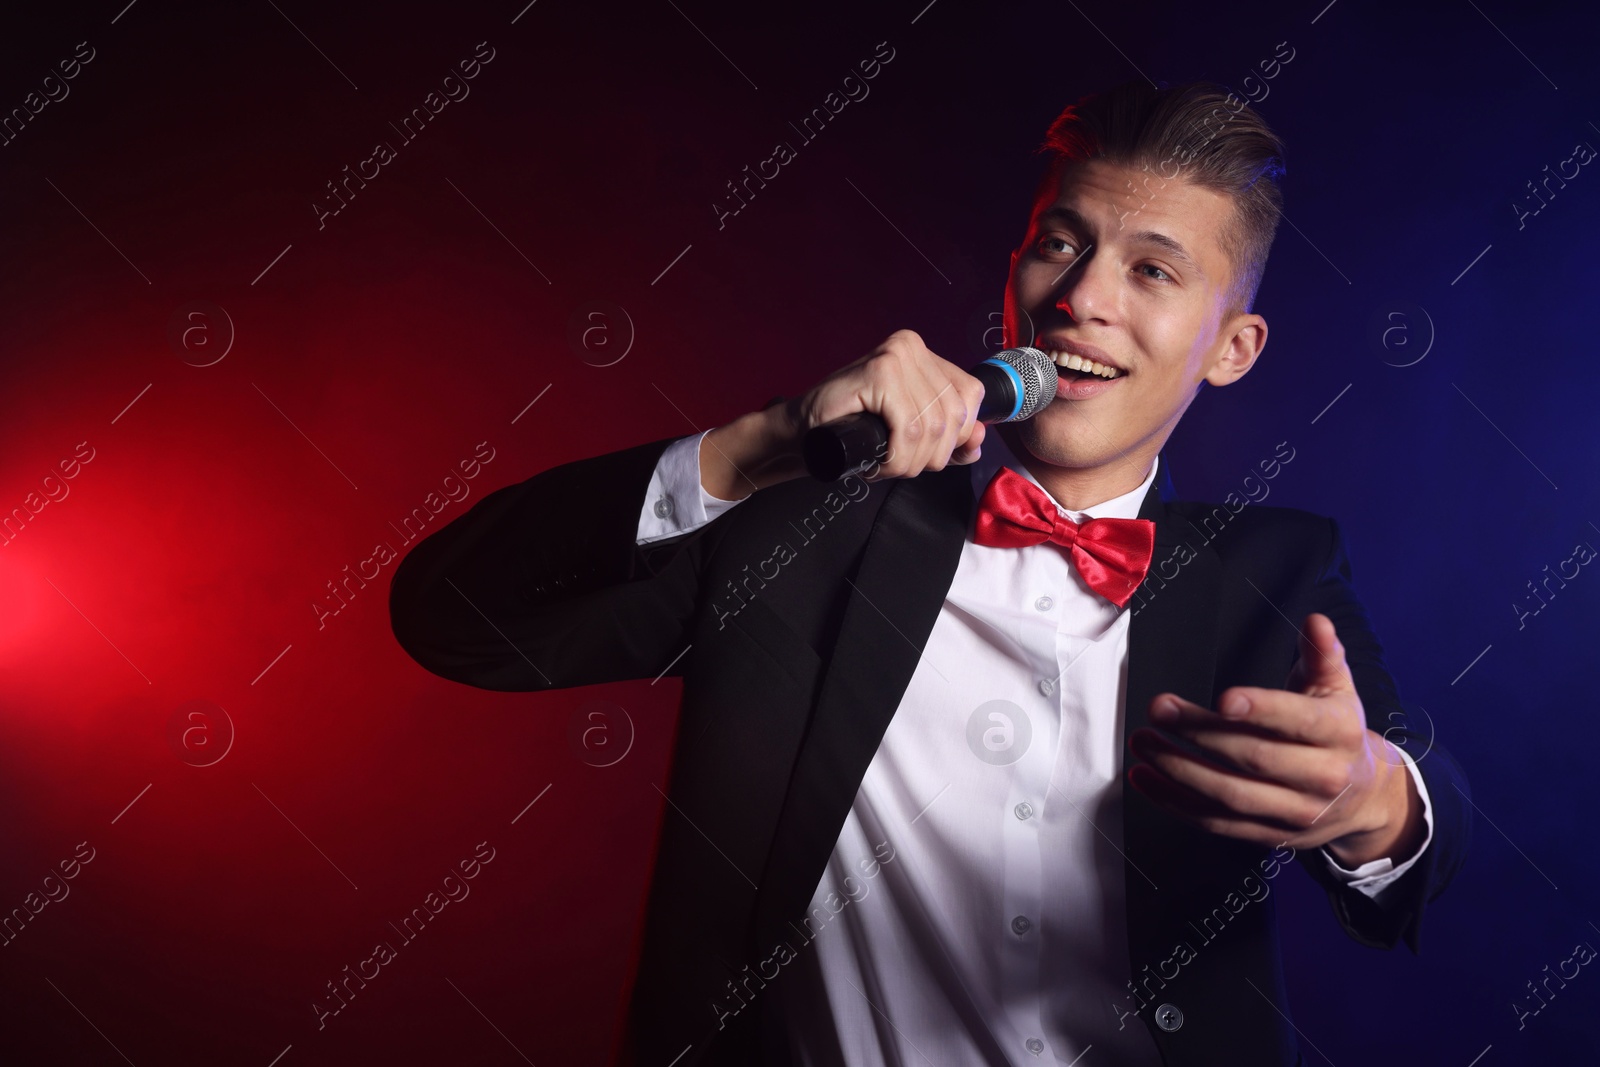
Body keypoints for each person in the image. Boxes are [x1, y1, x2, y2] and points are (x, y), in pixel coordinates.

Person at [388, 80, 1470, 1066]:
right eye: (1059, 242)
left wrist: (1373, 797)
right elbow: (456, 616)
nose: (1083, 295)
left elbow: (1423, 838)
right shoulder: (803, 533)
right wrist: (757, 443)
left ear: (1230, 347)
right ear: (1013, 279)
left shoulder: (1275, 566)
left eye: (1151, 268)